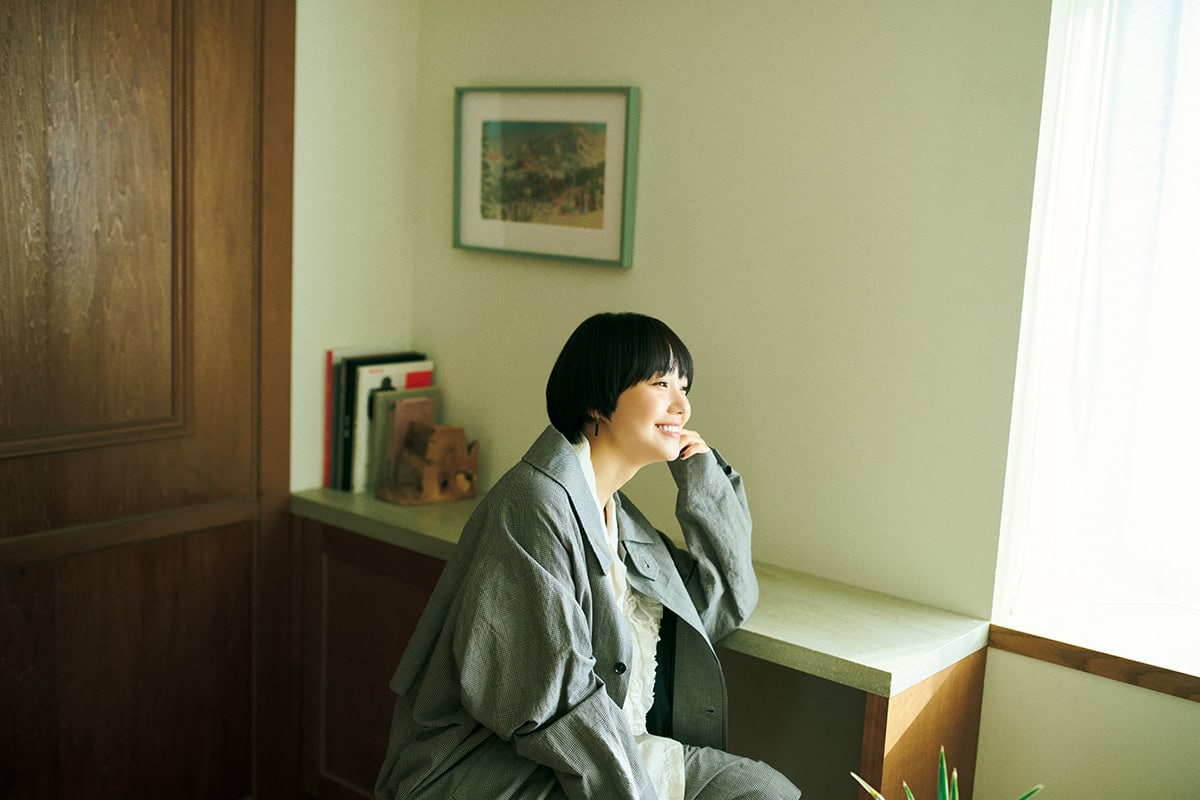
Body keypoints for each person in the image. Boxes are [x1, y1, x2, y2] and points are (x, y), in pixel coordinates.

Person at [376, 312, 801, 800]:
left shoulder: (619, 514)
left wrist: (702, 476)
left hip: (608, 750)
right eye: (661, 383)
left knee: (765, 793)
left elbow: (721, 601)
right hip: (505, 766)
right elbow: (557, 703)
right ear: (598, 400)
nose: (682, 406)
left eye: (684, 388)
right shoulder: (534, 504)